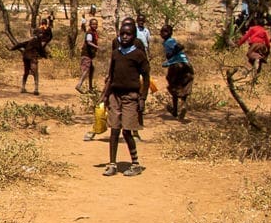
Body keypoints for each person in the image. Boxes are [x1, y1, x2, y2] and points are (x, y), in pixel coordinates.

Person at [103, 17, 150, 176]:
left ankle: (135, 164)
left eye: (128, 34)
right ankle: (112, 164)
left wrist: (142, 98)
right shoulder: (116, 53)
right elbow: (111, 75)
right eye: (122, 34)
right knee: (114, 130)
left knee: (127, 131)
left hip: (131, 96)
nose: (124, 37)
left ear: (134, 36)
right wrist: (105, 95)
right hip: (115, 95)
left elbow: (146, 77)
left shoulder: (138, 55)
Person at [161, 23, 194, 119]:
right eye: (162, 31)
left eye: (165, 31)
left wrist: (171, 55)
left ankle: (175, 110)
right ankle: (183, 105)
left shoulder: (169, 41)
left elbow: (179, 46)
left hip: (177, 66)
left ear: (171, 33)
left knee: (173, 86)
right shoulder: (168, 41)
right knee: (183, 85)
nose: (163, 33)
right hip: (186, 64)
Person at [11, 28, 47, 95]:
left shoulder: (31, 41)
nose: (41, 35)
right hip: (32, 57)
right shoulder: (37, 41)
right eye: (40, 33)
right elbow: (41, 50)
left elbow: (21, 44)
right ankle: (36, 89)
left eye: (42, 33)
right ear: (36, 34)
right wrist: (45, 56)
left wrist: (12, 48)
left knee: (26, 72)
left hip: (25, 57)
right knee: (35, 72)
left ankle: (23, 87)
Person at [76, 14, 100, 94]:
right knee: (86, 69)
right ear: (90, 25)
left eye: (96, 24)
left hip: (89, 55)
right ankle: (79, 85)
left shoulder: (94, 32)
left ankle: (90, 87)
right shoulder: (90, 33)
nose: (95, 25)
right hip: (86, 54)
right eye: (93, 24)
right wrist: (97, 47)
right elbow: (89, 42)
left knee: (91, 70)